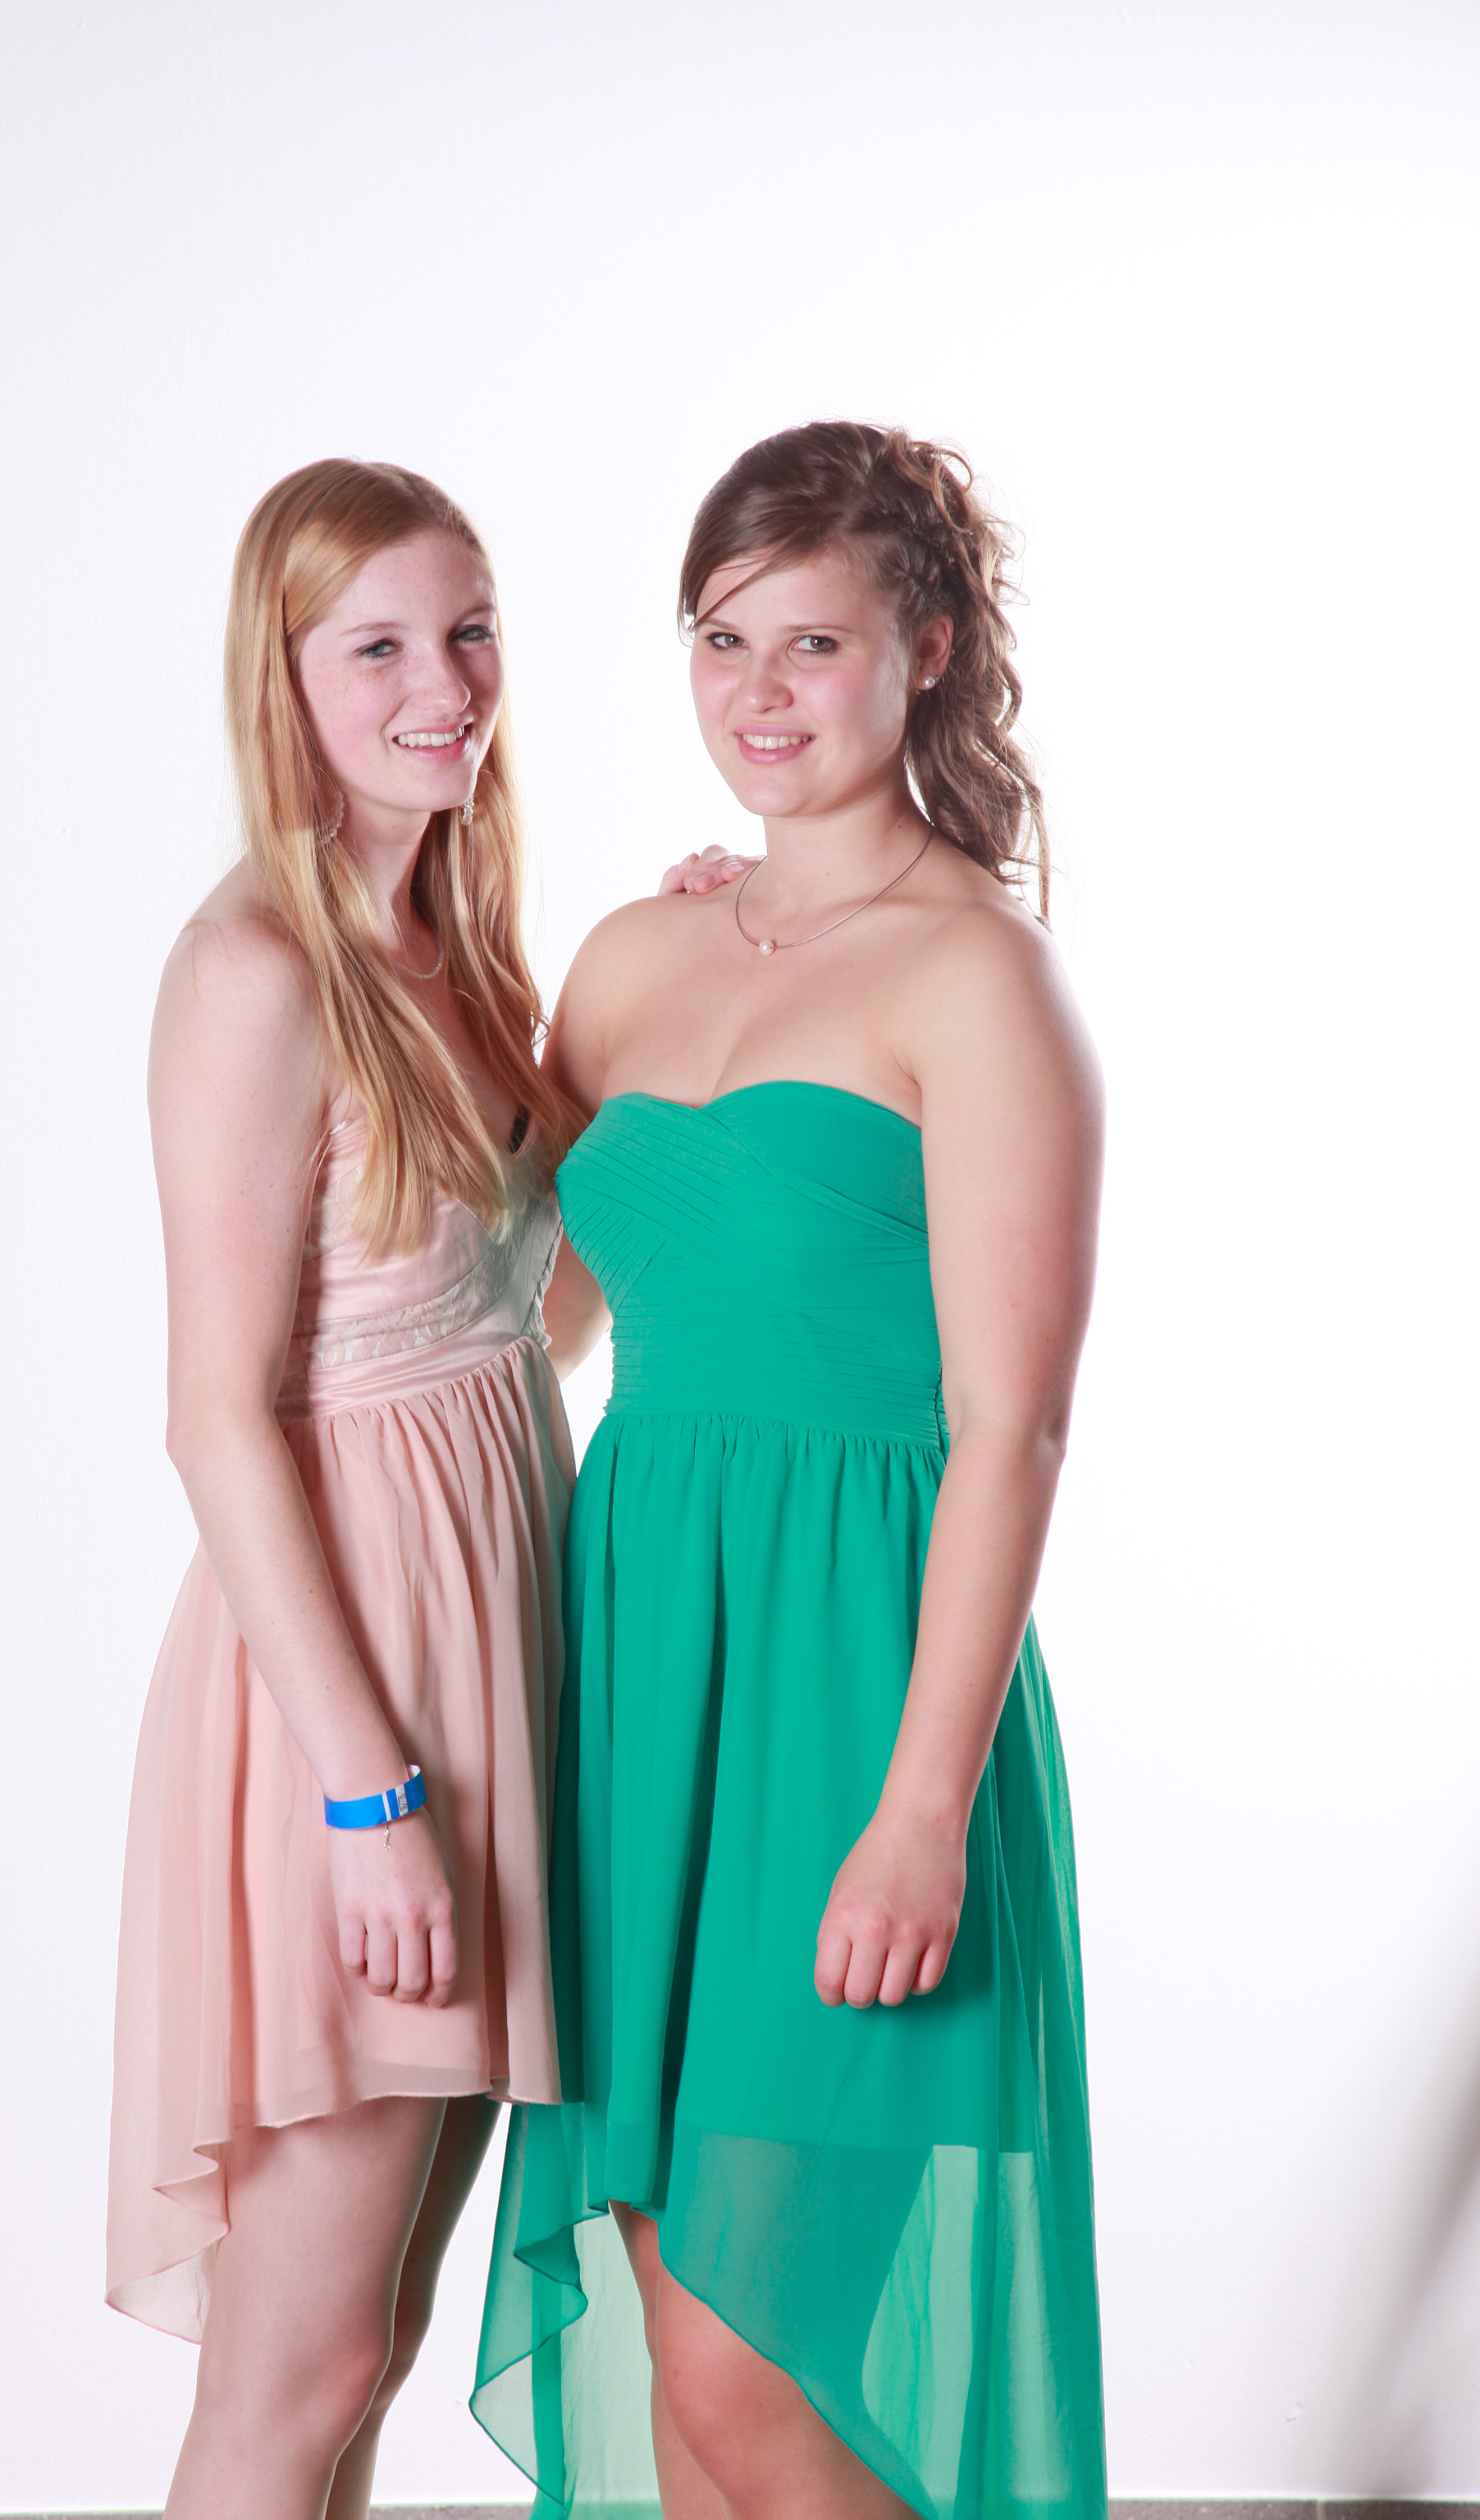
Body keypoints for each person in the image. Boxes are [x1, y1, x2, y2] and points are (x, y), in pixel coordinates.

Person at [476, 421, 1109, 2520]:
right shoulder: (629, 958)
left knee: (744, 2380)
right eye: (720, 638)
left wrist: (920, 1813)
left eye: (812, 642)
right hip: (644, 1678)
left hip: (853, 1696)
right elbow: (538, 1314)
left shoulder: (977, 979)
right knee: (686, 2375)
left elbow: (1013, 1425)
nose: (757, 692)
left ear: (924, 648)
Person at [106, 459, 745, 2520]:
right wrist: (366, 1794)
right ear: (281, 679)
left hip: (486, 1666)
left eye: (469, 633)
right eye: (376, 646)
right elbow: (215, 1416)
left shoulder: (452, 951)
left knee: (361, 2346)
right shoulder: (254, 973)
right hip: (351, 1696)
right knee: (293, 2369)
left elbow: (529, 1324)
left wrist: (657, 1025)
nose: (443, 686)